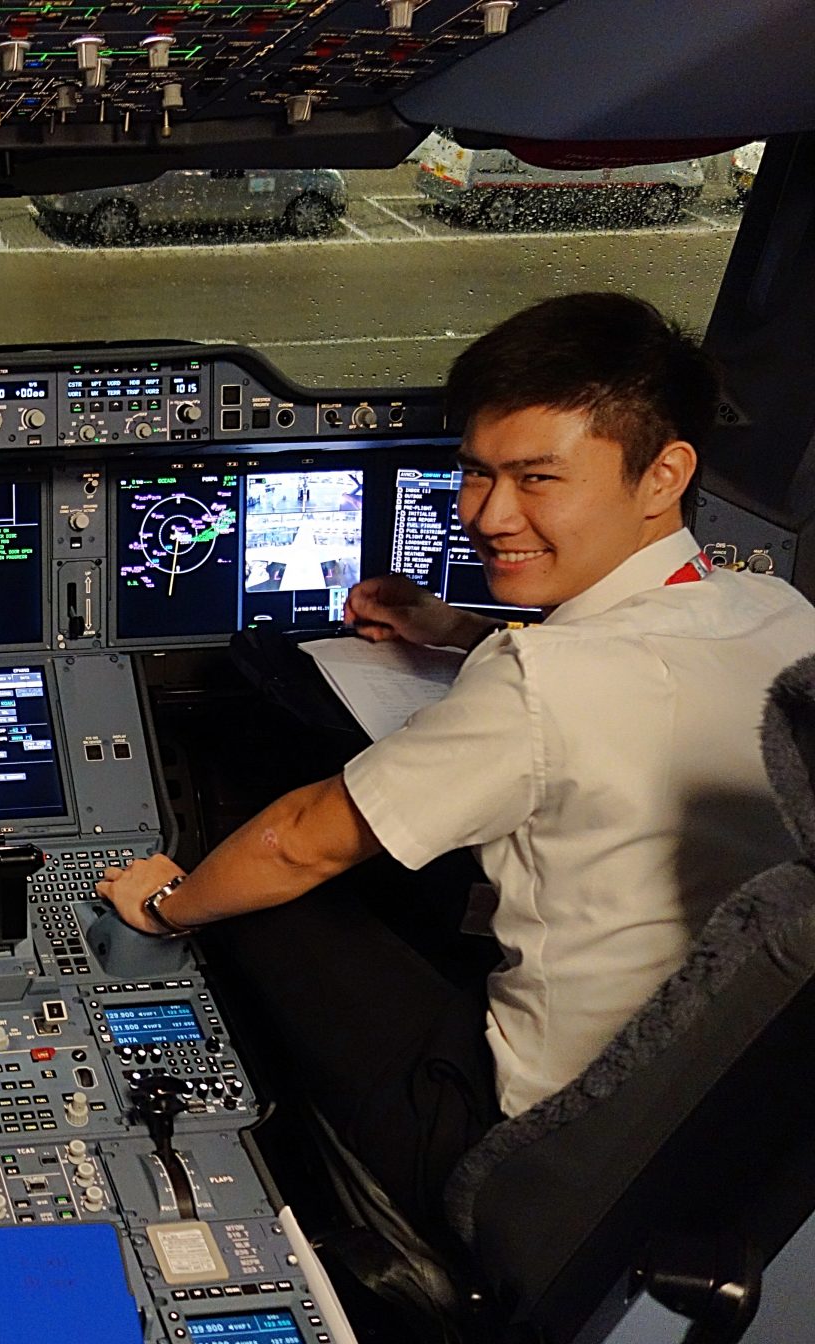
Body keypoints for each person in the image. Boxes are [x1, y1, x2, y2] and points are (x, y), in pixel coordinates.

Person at [94, 293, 815, 1234]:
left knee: (258, 868)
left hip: (526, 1148)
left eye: (537, 479)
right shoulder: (780, 615)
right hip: (714, 1118)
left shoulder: (541, 683)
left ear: (663, 474)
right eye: (475, 473)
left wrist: (162, 900)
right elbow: (635, 665)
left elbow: (301, 841)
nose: (487, 513)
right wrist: (459, 630)